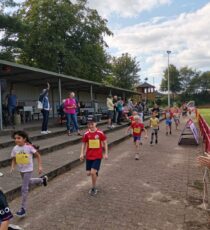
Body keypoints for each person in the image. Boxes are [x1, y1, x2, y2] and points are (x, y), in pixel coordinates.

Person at [10, 131, 48, 218]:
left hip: (28, 170)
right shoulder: (15, 148)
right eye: (15, 138)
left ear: (24, 139)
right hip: (21, 170)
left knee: (24, 188)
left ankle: (23, 209)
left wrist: (40, 166)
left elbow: (38, 155)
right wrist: (12, 166)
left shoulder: (29, 147)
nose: (16, 140)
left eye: (19, 138)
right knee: (29, 182)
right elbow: (14, 158)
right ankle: (42, 180)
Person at [80, 116, 108, 196]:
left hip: (97, 156)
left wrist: (106, 153)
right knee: (89, 173)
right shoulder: (86, 134)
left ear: (95, 124)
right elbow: (83, 144)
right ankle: (95, 172)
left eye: (92, 124)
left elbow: (105, 142)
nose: (90, 126)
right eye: (89, 124)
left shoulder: (100, 133)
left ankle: (93, 187)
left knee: (92, 173)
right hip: (89, 156)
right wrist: (82, 153)